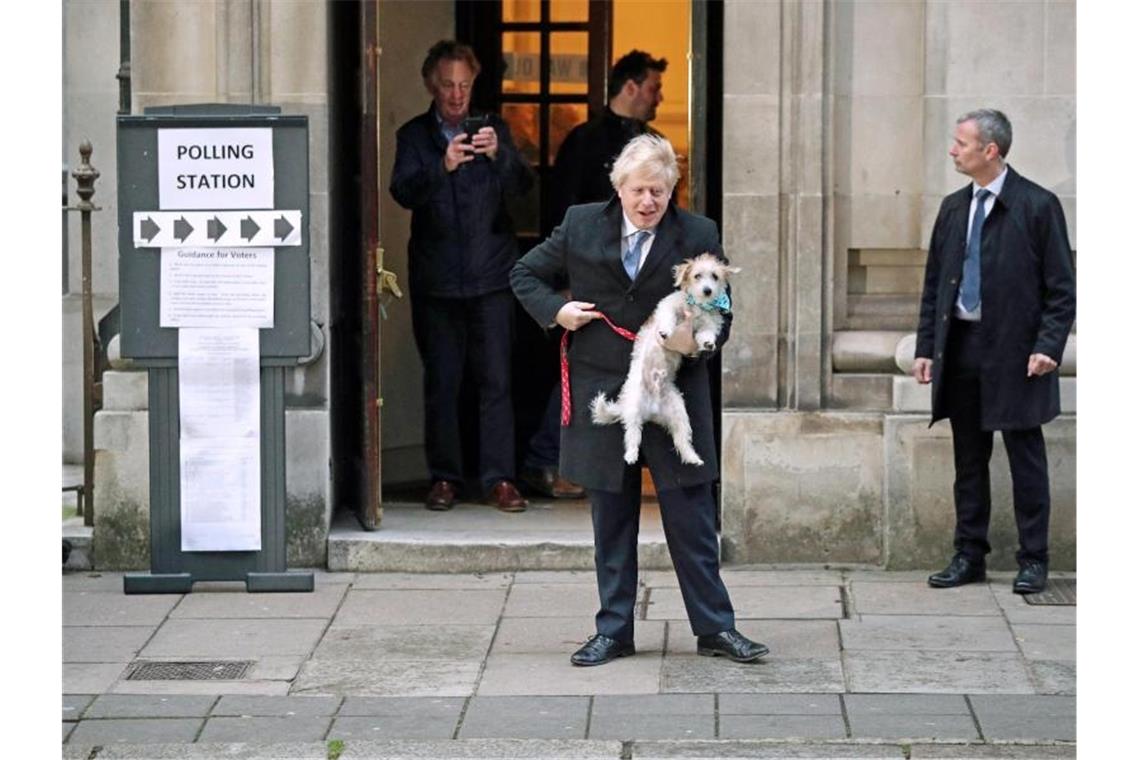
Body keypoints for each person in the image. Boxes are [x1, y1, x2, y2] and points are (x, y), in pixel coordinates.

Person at [511, 135, 769, 666]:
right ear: (619, 189)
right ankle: (613, 630)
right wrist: (557, 312)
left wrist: (701, 341)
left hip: (676, 391)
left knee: (691, 516)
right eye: (638, 191)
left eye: (658, 191)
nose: (648, 202)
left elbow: (722, 306)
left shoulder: (698, 233)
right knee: (611, 516)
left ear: (671, 190)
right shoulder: (581, 224)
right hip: (604, 388)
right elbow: (524, 273)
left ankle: (716, 628)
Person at [912, 109, 1075, 594]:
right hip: (961, 347)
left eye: (961, 143)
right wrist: (926, 347)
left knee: (1026, 458)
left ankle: (1034, 560)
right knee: (968, 458)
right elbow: (935, 284)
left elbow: (1062, 288)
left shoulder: (1037, 205)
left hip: (1019, 354)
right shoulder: (953, 207)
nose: (952, 150)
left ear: (991, 151)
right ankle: (969, 555)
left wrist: (1049, 346)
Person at [390, 40, 534, 513]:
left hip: (491, 277)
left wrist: (501, 157)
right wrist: (442, 165)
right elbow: (402, 192)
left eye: (464, 85)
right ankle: (445, 478)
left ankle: (500, 479)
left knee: (497, 382)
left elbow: (525, 189)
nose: (456, 95)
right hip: (437, 282)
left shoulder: (495, 130)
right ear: (433, 86)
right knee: (443, 383)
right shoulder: (415, 136)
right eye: (448, 85)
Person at [517, 50, 668, 500]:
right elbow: (561, 213)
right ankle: (546, 460)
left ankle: (604, 464)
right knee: (581, 369)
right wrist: (560, 286)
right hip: (588, 281)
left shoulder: (654, 143)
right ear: (631, 87)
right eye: (654, 88)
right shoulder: (584, 140)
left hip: (639, 281)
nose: (658, 98)